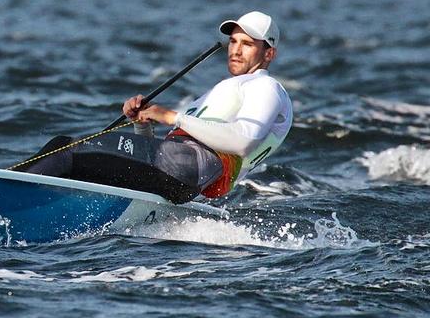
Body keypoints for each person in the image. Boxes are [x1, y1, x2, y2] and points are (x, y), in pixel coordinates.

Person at [17, 11, 293, 204]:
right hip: (182, 171)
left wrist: (172, 116)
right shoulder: (230, 90)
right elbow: (153, 160)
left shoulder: (265, 87)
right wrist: (143, 123)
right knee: (78, 160)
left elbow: (243, 141)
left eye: (247, 44)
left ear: (268, 53)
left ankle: (4, 194)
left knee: (67, 149)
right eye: (233, 41)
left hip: (191, 167)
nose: (236, 50)